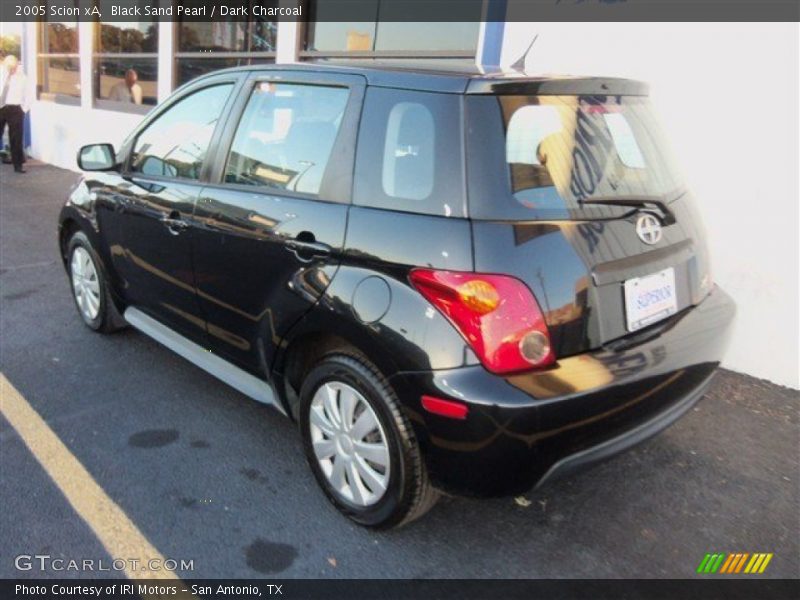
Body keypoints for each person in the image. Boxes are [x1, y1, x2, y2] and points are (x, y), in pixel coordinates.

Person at [0, 55, 30, 174]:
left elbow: (29, 95)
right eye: (9, 67)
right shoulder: (1, 74)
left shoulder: (22, 78)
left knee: (16, 138)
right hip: (1, 107)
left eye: (14, 67)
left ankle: (18, 165)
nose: (12, 69)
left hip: (15, 109)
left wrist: (23, 109)